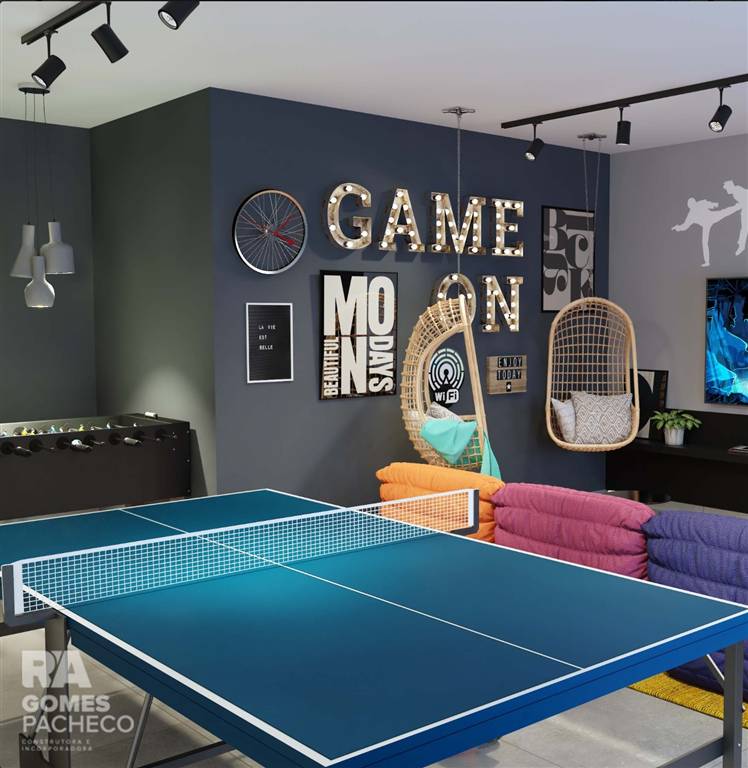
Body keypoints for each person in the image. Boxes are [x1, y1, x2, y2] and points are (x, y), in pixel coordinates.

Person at [672, 196, 740, 267]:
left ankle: (738, 206)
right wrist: (677, 227)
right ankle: (707, 262)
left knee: (725, 212)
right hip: (706, 225)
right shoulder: (691, 215)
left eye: (693, 204)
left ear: (694, 202)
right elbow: (684, 226)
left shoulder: (700, 204)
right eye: (691, 205)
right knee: (704, 242)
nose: (693, 206)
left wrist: (714, 204)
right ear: (690, 206)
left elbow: (709, 204)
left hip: (712, 216)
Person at [723, 180, 747, 256]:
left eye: (726, 188)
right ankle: (741, 245)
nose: (726, 191)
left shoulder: (737, 191)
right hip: (745, 210)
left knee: (744, 228)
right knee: (744, 228)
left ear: (730, 187)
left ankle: (741, 246)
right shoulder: (735, 193)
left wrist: (739, 206)